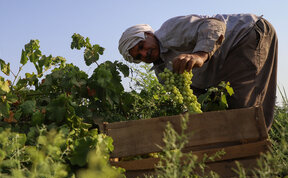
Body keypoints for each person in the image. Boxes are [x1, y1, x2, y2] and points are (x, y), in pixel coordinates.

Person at [118, 14, 278, 129]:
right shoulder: (162, 72)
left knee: (243, 110)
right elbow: (191, 95)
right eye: (139, 56)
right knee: (222, 114)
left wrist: (200, 55)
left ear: (148, 34)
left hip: (245, 35)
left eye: (141, 46)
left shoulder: (169, 30)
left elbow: (215, 25)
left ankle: (255, 163)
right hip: (226, 60)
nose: (145, 54)